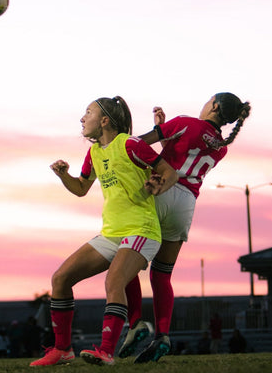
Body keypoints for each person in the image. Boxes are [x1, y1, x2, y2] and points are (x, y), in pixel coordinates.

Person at [30, 96, 178, 367]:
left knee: (113, 282)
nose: (82, 118)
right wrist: (64, 176)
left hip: (141, 230)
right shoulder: (95, 152)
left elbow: (170, 172)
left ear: (105, 121)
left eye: (88, 112)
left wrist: (159, 185)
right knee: (61, 278)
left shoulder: (130, 144)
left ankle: (106, 352)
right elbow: (81, 188)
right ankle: (62, 350)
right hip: (112, 233)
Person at [119, 92, 251, 363]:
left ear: (214, 105)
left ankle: (135, 326)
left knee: (125, 262)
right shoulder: (222, 146)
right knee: (162, 275)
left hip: (160, 192)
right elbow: (186, 154)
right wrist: (167, 133)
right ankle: (163, 336)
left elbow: (139, 145)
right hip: (186, 203)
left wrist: (158, 130)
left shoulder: (186, 122)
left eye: (207, 100)